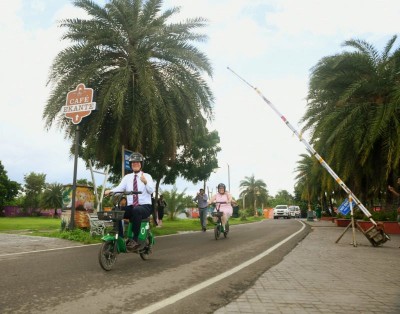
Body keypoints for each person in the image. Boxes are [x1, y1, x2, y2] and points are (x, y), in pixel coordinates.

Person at [105, 152, 154, 250]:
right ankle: (120, 236)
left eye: (137, 162)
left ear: (141, 164)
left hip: (145, 207)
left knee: (137, 210)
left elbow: (151, 190)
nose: (135, 164)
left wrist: (145, 182)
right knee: (116, 210)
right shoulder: (127, 177)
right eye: (133, 163)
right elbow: (120, 188)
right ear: (131, 165)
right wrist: (110, 191)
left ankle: (134, 240)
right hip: (132, 206)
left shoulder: (147, 176)